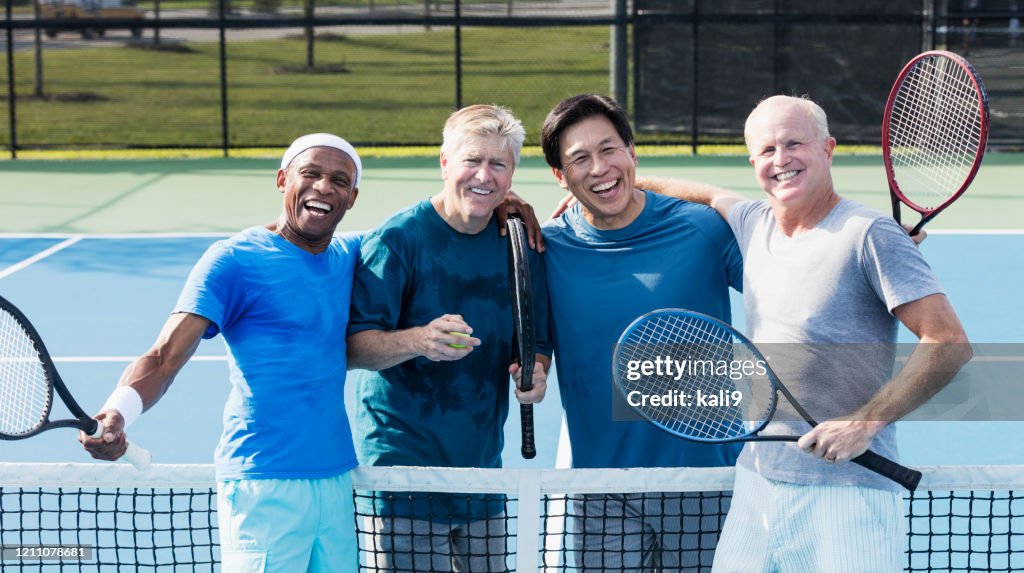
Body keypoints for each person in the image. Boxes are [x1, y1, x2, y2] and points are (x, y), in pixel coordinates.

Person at [643, 95, 972, 572]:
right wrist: (610, 183)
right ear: (753, 161)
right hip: (757, 486)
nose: (782, 160)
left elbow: (949, 343)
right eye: (768, 150)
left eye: (795, 143)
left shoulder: (870, 233)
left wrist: (864, 424)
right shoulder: (754, 223)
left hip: (848, 494)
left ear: (828, 149)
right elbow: (707, 193)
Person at [80, 133, 365, 572]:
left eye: (339, 180)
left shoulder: (350, 254)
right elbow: (164, 357)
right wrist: (119, 410)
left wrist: (504, 205)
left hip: (336, 478)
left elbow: (429, 224)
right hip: (265, 485)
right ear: (282, 179)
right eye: (310, 174)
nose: (324, 187)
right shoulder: (233, 260)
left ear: (352, 197)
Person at [539, 93, 743, 572]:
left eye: (609, 149)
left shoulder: (702, 230)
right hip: (601, 492)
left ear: (632, 152)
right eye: (579, 159)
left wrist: (870, 239)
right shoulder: (544, 250)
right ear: (560, 177)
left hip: (705, 482)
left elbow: (795, 267)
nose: (598, 168)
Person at [346, 104, 551, 572]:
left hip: (481, 472)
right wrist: (417, 340)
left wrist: (537, 370)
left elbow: (537, 338)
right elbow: (353, 348)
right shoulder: (397, 241)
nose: (484, 175)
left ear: (512, 172)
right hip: (404, 474)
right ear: (444, 163)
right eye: (471, 161)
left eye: (498, 164)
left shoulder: (518, 241)